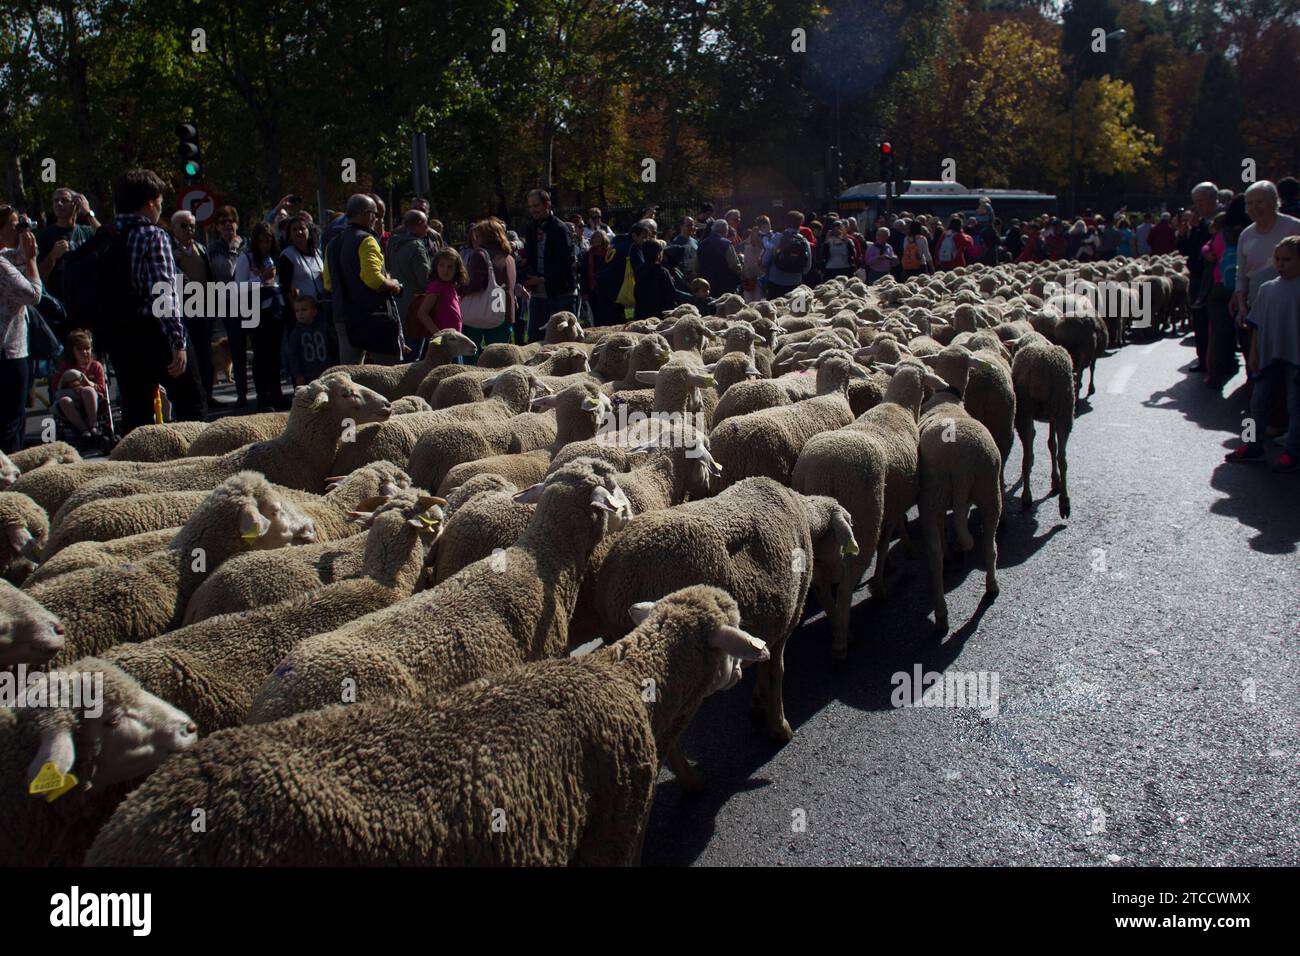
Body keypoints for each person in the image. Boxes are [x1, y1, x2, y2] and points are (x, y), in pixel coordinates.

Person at [106, 169, 205, 432]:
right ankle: (192, 467)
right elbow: (163, 291)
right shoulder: (152, 235)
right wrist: (177, 340)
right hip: (154, 332)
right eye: (160, 201)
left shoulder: (107, 234)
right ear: (150, 202)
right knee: (191, 404)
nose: (161, 207)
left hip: (120, 336)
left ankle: (137, 467)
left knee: (136, 413)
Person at [1224, 236, 1300, 472]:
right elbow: (1256, 324)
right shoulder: (1267, 289)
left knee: (1295, 405)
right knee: (1256, 403)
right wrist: (1254, 352)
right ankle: (1251, 445)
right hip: (1267, 355)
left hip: (1295, 357)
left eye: (1287, 260)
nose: (1281, 264)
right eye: (1278, 259)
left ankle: (1293, 451)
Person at [323, 193, 403, 365]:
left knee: (350, 375)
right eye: (375, 214)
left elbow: (328, 283)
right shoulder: (367, 240)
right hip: (371, 318)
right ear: (365, 213)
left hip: (342, 317)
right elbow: (374, 280)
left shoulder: (332, 244)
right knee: (388, 374)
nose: (376, 219)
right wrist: (393, 284)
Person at [169, 209, 221, 406]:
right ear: (174, 228)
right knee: (187, 354)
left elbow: (210, 276)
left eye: (192, 225)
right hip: (181, 309)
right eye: (184, 225)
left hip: (203, 306)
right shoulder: (168, 251)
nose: (189, 229)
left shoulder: (201, 248)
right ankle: (191, 398)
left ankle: (207, 395)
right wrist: (174, 260)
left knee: (205, 353)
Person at [0, 206, 41, 452]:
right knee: (11, 423)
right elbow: (34, 294)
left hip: (7, 352)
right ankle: (10, 482)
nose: (19, 231)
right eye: (14, 226)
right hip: (8, 353)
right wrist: (32, 261)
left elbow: (15, 257)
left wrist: (26, 250)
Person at [234, 221, 286, 411]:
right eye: (261, 241)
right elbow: (238, 286)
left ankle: (276, 393)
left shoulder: (272, 258)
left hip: (274, 310)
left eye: (268, 241)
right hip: (256, 312)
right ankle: (263, 396)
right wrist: (260, 279)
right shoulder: (245, 259)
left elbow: (276, 282)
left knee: (274, 356)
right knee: (261, 356)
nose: (265, 245)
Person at [520, 189, 578, 343]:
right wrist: (526, 275)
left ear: (547, 204)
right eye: (530, 206)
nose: (533, 210)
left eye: (536, 206)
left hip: (561, 291)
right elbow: (530, 257)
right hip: (539, 293)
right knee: (535, 338)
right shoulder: (530, 227)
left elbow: (565, 262)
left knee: (566, 338)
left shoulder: (560, 229)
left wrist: (543, 279)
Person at [207, 205, 251, 403]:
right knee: (237, 349)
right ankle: (242, 393)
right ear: (217, 227)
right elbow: (227, 272)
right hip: (229, 304)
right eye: (222, 222)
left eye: (230, 221)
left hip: (251, 301)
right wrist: (233, 250)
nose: (227, 225)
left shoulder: (247, 244)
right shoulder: (214, 250)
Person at [1179, 183, 1220, 372]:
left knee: (1214, 320)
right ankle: (1204, 358)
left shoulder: (1220, 220)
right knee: (1200, 320)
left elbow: (1209, 244)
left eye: (1200, 201)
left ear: (1213, 198)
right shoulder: (1199, 222)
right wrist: (1185, 232)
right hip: (1197, 276)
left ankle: (1218, 360)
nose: (1197, 206)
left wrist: (1197, 229)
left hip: (1213, 277)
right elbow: (1187, 250)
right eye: (1195, 202)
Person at [459, 219, 517, 354]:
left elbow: (474, 284)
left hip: (479, 313)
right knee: (499, 358)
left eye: (476, 235)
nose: (474, 239)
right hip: (504, 312)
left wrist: (457, 290)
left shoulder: (480, 254)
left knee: (470, 357)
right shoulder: (509, 257)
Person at [36, 187, 99, 304]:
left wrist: (88, 212)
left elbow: (106, 237)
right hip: (58, 303)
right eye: (55, 201)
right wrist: (52, 256)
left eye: (64, 200)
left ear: (76, 204)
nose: (59, 204)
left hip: (87, 299)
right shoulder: (44, 235)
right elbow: (39, 277)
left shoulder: (87, 232)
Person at [385, 209, 435, 351]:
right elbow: (424, 280)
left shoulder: (393, 243)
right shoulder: (416, 247)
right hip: (415, 306)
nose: (428, 228)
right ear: (418, 224)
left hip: (398, 303)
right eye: (426, 224)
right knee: (415, 354)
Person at [52, 328, 111, 436]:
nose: (84, 352)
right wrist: (64, 378)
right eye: (80, 349)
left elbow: (102, 389)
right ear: (72, 351)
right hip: (72, 401)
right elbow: (55, 390)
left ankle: (93, 425)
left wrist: (84, 380)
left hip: (93, 401)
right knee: (64, 400)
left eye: (87, 348)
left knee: (88, 390)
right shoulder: (65, 367)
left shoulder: (95, 366)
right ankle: (83, 429)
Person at [284, 294, 338, 387]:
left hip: (327, 371)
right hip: (307, 374)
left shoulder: (325, 327)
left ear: (314, 312)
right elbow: (293, 356)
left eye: (304, 310)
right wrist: (297, 375)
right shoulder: (296, 333)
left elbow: (335, 348)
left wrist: (336, 366)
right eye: (297, 311)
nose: (300, 313)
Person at [414, 247, 468, 336]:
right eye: (441, 265)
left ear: (457, 269)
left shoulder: (450, 286)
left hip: (453, 339)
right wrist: (438, 334)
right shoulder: (437, 286)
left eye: (450, 267)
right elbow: (422, 313)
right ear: (436, 266)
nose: (445, 270)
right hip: (444, 341)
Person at [762, 211, 813, 298]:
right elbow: (807, 266)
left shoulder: (777, 237)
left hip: (776, 280)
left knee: (776, 309)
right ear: (800, 223)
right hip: (796, 282)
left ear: (786, 223)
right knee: (796, 310)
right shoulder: (804, 241)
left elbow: (766, 259)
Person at [633, 239, 683, 320]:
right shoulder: (662, 271)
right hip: (659, 315)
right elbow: (670, 294)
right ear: (659, 254)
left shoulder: (639, 269)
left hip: (641, 313)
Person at [580, 228, 617, 327]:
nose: (596, 239)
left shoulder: (610, 253)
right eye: (594, 237)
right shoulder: (588, 254)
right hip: (592, 291)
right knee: (596, 317)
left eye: (598, 237)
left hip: (607, 291)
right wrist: (584, 292)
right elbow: (583, 274)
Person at [696, 218, 743, 297]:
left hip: (706, 286)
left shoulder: (701, 244)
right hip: (725, 285)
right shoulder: (726, 244)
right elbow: (734, 266)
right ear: (726, 231)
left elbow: (696, 266)